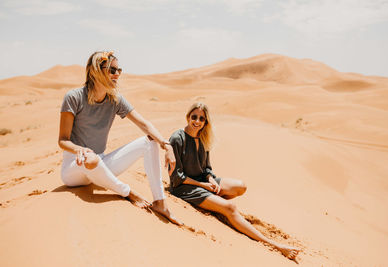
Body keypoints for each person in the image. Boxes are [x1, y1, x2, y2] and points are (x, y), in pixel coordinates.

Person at [58, 51, 181, 225]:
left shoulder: (115, 99)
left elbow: (144, 124)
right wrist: (80, 150)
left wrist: (166, 145)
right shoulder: (74, 97)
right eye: (112, 70)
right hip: (74, 168)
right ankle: (128, 192)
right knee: (91, 158)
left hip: (101, 163)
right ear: (96, 71)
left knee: (148, 142)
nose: (117, 74)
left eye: (119, 70)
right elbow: (62, 140)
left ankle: (160, 202)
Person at [168, 102, 300, 260]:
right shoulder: (177, 138)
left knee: (240, 187)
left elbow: (206, 169)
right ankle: (275, 245)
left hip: (203, 181)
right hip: (183, 187)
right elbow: (176, 176)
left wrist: (211, 180)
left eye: (201, 118)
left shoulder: (202, 138)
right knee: (230, 207)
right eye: (194, 117)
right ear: (188, 117)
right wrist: (202, 185)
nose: (197, 121)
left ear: (206, 122)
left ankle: (214, 204)